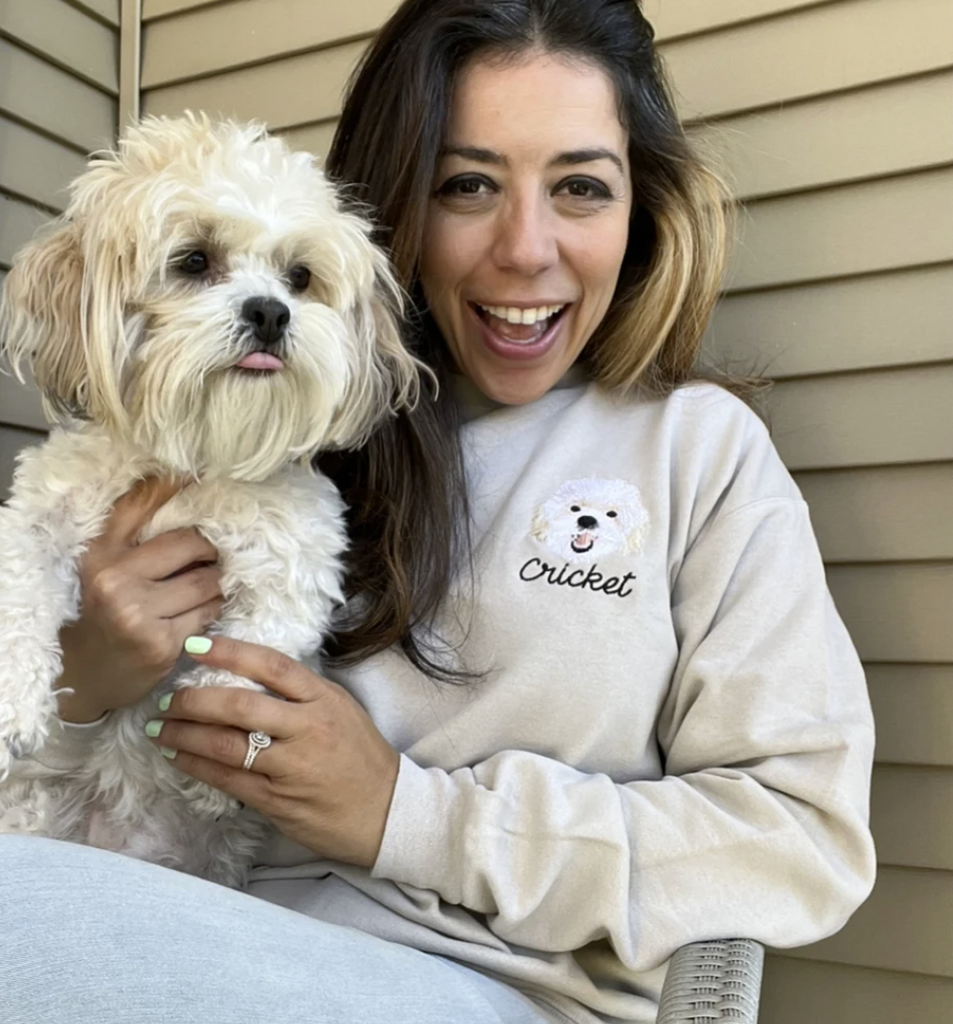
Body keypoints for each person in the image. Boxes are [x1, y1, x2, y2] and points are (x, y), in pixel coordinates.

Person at [0, 1, 876, 1022]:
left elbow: (799, 839)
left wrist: (404, 814)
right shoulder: (268, 425)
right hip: (189, 928)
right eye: (468, 185)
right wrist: (82, 682)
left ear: (639, 212)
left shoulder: (695, 452)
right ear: (394, 208)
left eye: (580, 187)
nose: (525, 249)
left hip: (498, 987)